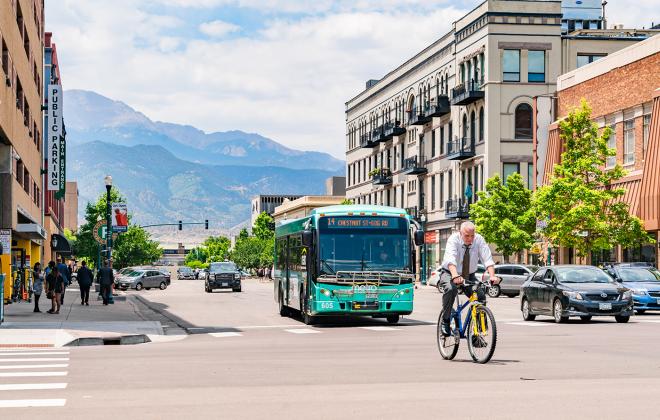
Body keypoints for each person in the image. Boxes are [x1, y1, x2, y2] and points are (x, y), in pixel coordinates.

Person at [439, 221, 500, 337]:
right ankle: (445, 321)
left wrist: (492, 276)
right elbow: (450, 260)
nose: (470, 239)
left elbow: (487, 259)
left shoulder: (479, 240)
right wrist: (455, 275)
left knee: (480, 296)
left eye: (472, 235)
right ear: (460, 233)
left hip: (469, 275)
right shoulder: (453, 240)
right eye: (467, 235)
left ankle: (478, 334)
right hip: (450, 272)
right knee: (451, 290)